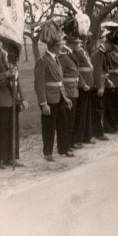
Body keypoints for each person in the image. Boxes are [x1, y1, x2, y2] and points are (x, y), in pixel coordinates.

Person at [34, 20, 74, 162]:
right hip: (49, 99)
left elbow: (59, 81)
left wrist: (65, 97)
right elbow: (38, 84)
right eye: (58, 46)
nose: (60, 48)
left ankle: (63, 148)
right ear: (52, 46)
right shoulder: (42, 61)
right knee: (49, 127)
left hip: (59, 97)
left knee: (63, 123)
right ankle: (48, 152)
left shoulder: (56, 59)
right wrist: (43, 103)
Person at [0, 38, 28, 169]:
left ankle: (11, 157)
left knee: (12, 129)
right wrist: (6, 74)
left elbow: (17, 80)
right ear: (6, 43)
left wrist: (23, 98)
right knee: (0, 130)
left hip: (13, 100)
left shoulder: (13, 58)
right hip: (0, 101)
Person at [63, 14, 95, 148]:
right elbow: (76, 69)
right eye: (85, 37)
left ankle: (86, 135)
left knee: (86, 112)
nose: (87, 38)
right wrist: (83, 83)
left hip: (85, 81)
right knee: (79, 114)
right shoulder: (76, 51)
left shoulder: (83, 49)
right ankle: (78, 138)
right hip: (79, 84)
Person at [92, 22, 118, 135]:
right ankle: (108, 126)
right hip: (108, 80)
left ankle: (113, 124)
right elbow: (100, 68)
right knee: (109, 106)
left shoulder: (112, 48)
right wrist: (101, 84)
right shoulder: (103, 50)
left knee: (114, 104)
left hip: (114, 80)